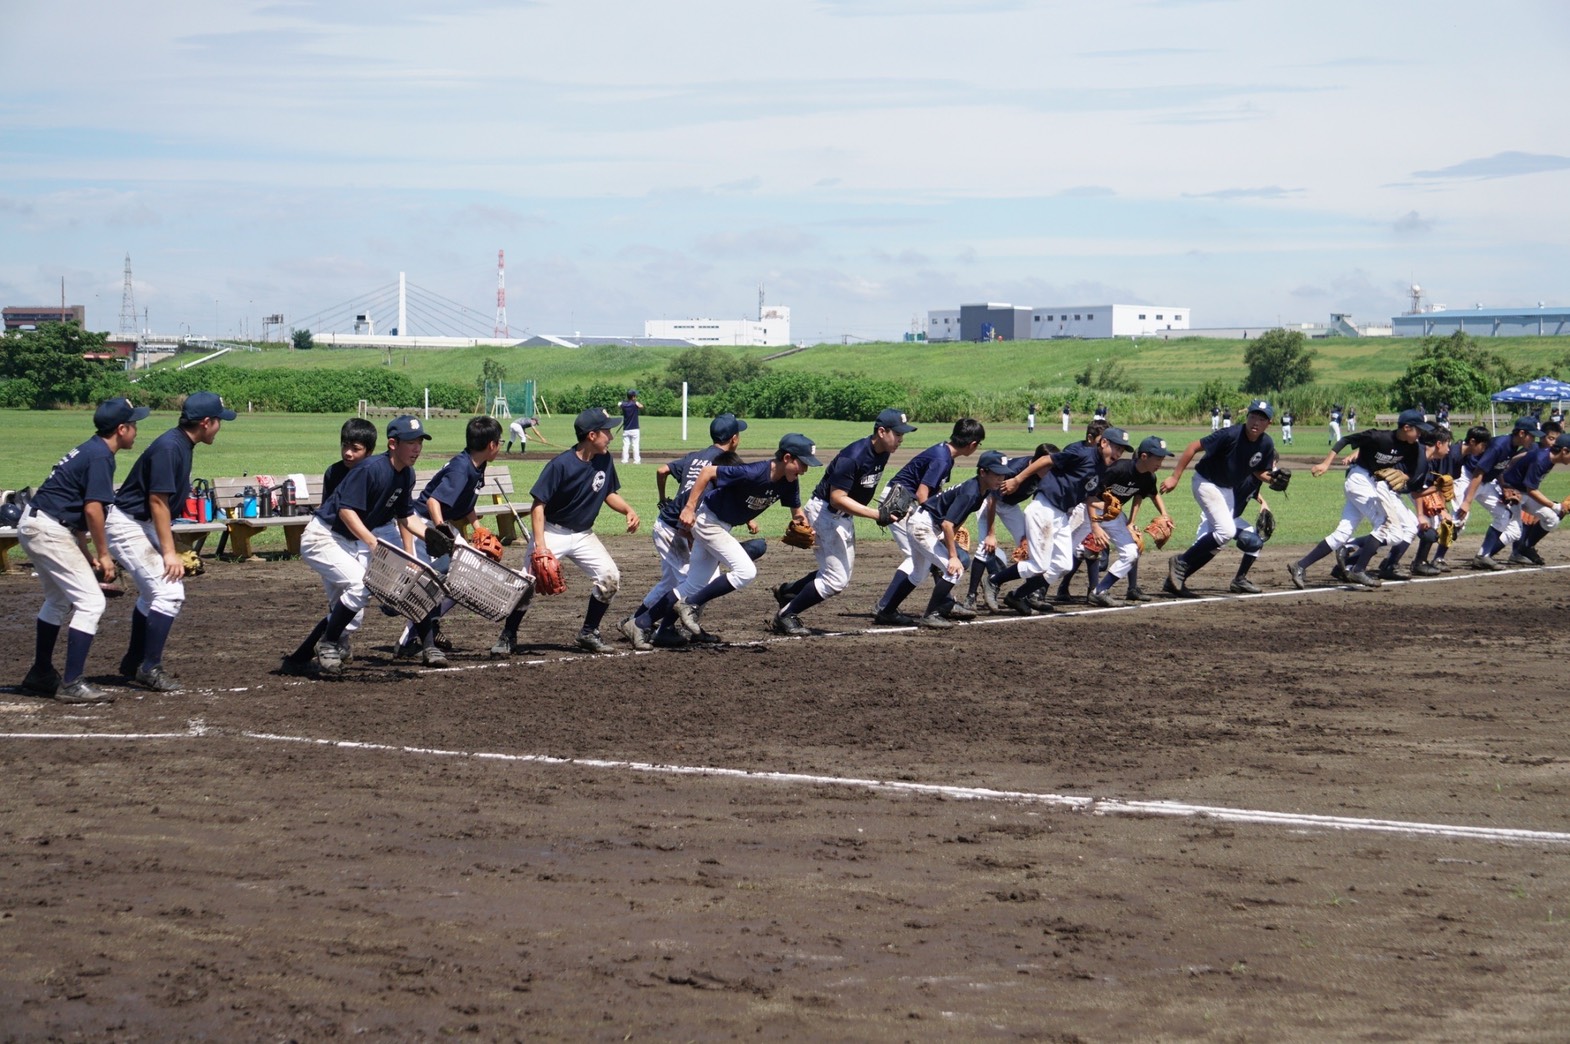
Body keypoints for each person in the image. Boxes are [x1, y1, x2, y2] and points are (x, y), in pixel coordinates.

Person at [282, 415, 444, 676]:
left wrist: (431, 536)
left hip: (349, 540)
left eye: (420, 442)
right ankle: (328, 643)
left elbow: (405, 517)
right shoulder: (371, 469)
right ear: (393, 444)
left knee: (347, 612)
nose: (417, 448)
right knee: (360, 586)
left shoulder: (406, 475)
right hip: (323, 537)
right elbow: (345, 512)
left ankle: (299, 659)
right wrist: (372, 543)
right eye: (410, 442)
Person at [16, 397, 150, 704]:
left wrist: (86, 553)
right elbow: (92, 510)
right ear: (121, 429)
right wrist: (104, 555)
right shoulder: (101, 456)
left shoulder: (91, 450)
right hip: (48, 530)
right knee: (91, 603)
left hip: (39, 526)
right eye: (134, 425)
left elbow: (71, 509)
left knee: (58, 598)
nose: (136, 431)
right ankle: (73, 682)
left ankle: (40, 673)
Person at [105, 390, 237, 692]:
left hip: (140, 523)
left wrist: (168, 545)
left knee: (154, 593)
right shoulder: (170, 448)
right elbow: (158, 502)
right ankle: (149, 667)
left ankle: (134, 660)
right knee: (169, 592)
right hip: (128, 524)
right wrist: (168, 553)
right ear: (205, 422)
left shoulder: (180, 444)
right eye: (219, 421)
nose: (220, 426)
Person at [489, 407, 640, 656]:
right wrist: (541, 545)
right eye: (606, 431)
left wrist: (628, 510)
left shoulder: (604, 459)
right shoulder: (560, 465)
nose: (610, 437)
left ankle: (589, 632)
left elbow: (609, 493)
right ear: (591, 435)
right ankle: (508, 635)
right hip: (551, 531)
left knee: (610, 577)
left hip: (583, 534)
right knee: (526, 583)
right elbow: (538, 506)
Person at [771, 408, 916, 636]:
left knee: (836, 574)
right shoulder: (854, 456)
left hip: (841, 518)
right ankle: (786, 615)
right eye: (897, 434)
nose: (901, 439)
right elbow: (837, 499)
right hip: (826, 515)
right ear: (881, 431)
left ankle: (789, 592)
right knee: (836, 580)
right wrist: (876, 514)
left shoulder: (883, 452)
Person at [658, 434, 817, 639]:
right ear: (787, 458)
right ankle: (690, 604)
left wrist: (801, 521)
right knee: (745, 571)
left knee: (693, 583)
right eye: (803, 464)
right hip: (708, 521)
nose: (805, 470)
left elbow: (797, 511)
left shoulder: (789, 481)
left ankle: (641, 622)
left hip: (722, 526)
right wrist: (689, 508)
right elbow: (707, 472)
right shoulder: (754, 471)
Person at [621, 413, 750, 650]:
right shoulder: (723, 461)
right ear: (734, 439)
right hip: (677, 530)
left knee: (671, 581)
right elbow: (712, 498)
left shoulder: (697, 456)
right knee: (695, 584)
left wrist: (663, 500)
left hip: (668, 522)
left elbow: (662, 471)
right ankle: (662, 630)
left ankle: (633, 621)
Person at [389, 415, 505, 660]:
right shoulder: (462, 468)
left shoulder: (476, 463)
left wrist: (476, 527)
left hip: (439, 522)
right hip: (424, 523)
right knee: (434, 579)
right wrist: (442, 532)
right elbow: (433, 501)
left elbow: (464, 502)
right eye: (500, 441)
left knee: (465, 575)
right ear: (491, 445)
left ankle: (430, 623)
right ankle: (411, 631)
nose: (500, 445)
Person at [985, 426, 1134, 614]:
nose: (1119, 453)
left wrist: (1101, 514)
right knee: (1039, 564)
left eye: (1122, 450)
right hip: (1044, 508)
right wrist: (1018, 479)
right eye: (1117, 448)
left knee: (1063, 564)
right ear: (1104, 443)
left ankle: (1016, 596)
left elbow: (1089, 496)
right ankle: (994, 580)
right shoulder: (1081, 453)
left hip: (1061, 514)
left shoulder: (1102, 469)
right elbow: (1046, 459)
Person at [1287, 408, 1429, 590]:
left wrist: (1404, 477)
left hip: (1373, 483)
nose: (1421, 434)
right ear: (1407, 427)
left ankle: (1300, 566)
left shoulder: (1412, 448)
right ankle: (1358, 569)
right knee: (1384, 523)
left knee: (1343, 532)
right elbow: (1346, 440)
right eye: (1419, 429)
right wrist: (1326, 463)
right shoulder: (1379, 437)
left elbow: (1412, 473)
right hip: (1358, 479)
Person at [872, 419, 985, 625]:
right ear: (973, 444)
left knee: (926, 559)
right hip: (901, 502)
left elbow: (934, 493)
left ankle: (943, 602)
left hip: (908, 501)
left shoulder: (945, 455)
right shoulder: (942, 458)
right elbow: (923, 493)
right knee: (917, 558)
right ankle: (885, 606)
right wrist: (941, 523)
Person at [1158, 400, 1277, 596]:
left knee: (1219, 542)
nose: (1256, 421)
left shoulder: (1266, 443)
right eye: (1253, 416)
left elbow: (1259, 472)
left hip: (1226, 489)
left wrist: (1274, 480)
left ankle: (1174, 581)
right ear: (1247, 417)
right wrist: (1174, 477)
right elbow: (1192, 447)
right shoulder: (1230, 434)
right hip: (1206, 482)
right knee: (1227, 531)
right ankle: (1180, 561)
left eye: (1261, 418)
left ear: (1268, 423)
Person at [898, 450, 1013, 628]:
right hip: (923, 526)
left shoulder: (981, 489)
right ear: (983, 472)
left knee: (918, 573)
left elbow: (958, 517)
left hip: (924, 524)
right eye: (997, 474)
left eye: (1003, 474)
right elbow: (947, 524)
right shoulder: (971, 492)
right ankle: (932, 614)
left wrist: (945, 539)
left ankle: (886, 610)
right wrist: (952, 555)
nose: (1001, 478)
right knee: (955, 570)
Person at [314, 417, 379, 660]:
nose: (348, 453)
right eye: (344, 446)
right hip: (333, 539)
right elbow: (327, 508)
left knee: (357, 595)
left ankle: (331, 637)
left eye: (356, 448)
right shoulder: (334, 472)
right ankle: (337, 642)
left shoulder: (372, 473)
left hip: (360, 541)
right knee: (335, 596)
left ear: (369, 451)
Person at [1086, 436, 1173, 606]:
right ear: (1144, 457)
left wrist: (1164, 515)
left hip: (1112, 514)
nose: (1160, 463)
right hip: (1086, 511)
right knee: (1070, 554)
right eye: (1158, 458)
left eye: (1162, 459)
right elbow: (1090, 497)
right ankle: (1037, 590)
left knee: (1132, 552)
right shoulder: (1118, 469)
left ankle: (1099, 591)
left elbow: (1152, 494)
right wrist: (1094, 525)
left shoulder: (1148, 477)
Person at [1456, 417, 1541, 570]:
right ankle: (1437, 558)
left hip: (1485, 481)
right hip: (1469, 477)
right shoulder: (1500, 445)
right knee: (1458, 521)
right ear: (1522, 433)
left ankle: (1483, 556)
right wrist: (1467, 501)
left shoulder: (1513, 447)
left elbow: (1497, 468)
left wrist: (1504, 486)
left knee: (1503, 514)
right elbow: (1479, 472)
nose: (1534, 440)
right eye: (1532, 435)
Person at [1498, 434, 1570, 564]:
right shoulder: (1542, 459)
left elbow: (1522, 460)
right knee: (1514, 531)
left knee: (1552, 519)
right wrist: (1554, 506)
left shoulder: (1549, 457)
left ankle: (1526, 547)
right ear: (1564, 451)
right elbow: (1531, 489)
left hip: (1524, 493)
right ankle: (1484, 554)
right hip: (1512, 492)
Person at [619, 389, 642, 464]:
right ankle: (636, 460)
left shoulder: (624, 404)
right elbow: (641, 406)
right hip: (635, 428)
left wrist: (623, 402)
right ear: (633, 397)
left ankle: (624, 460)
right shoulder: (635, 404)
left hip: (626, 428)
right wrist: (636, 403)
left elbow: (619, 404)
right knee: (635, 445)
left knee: (625, 445)